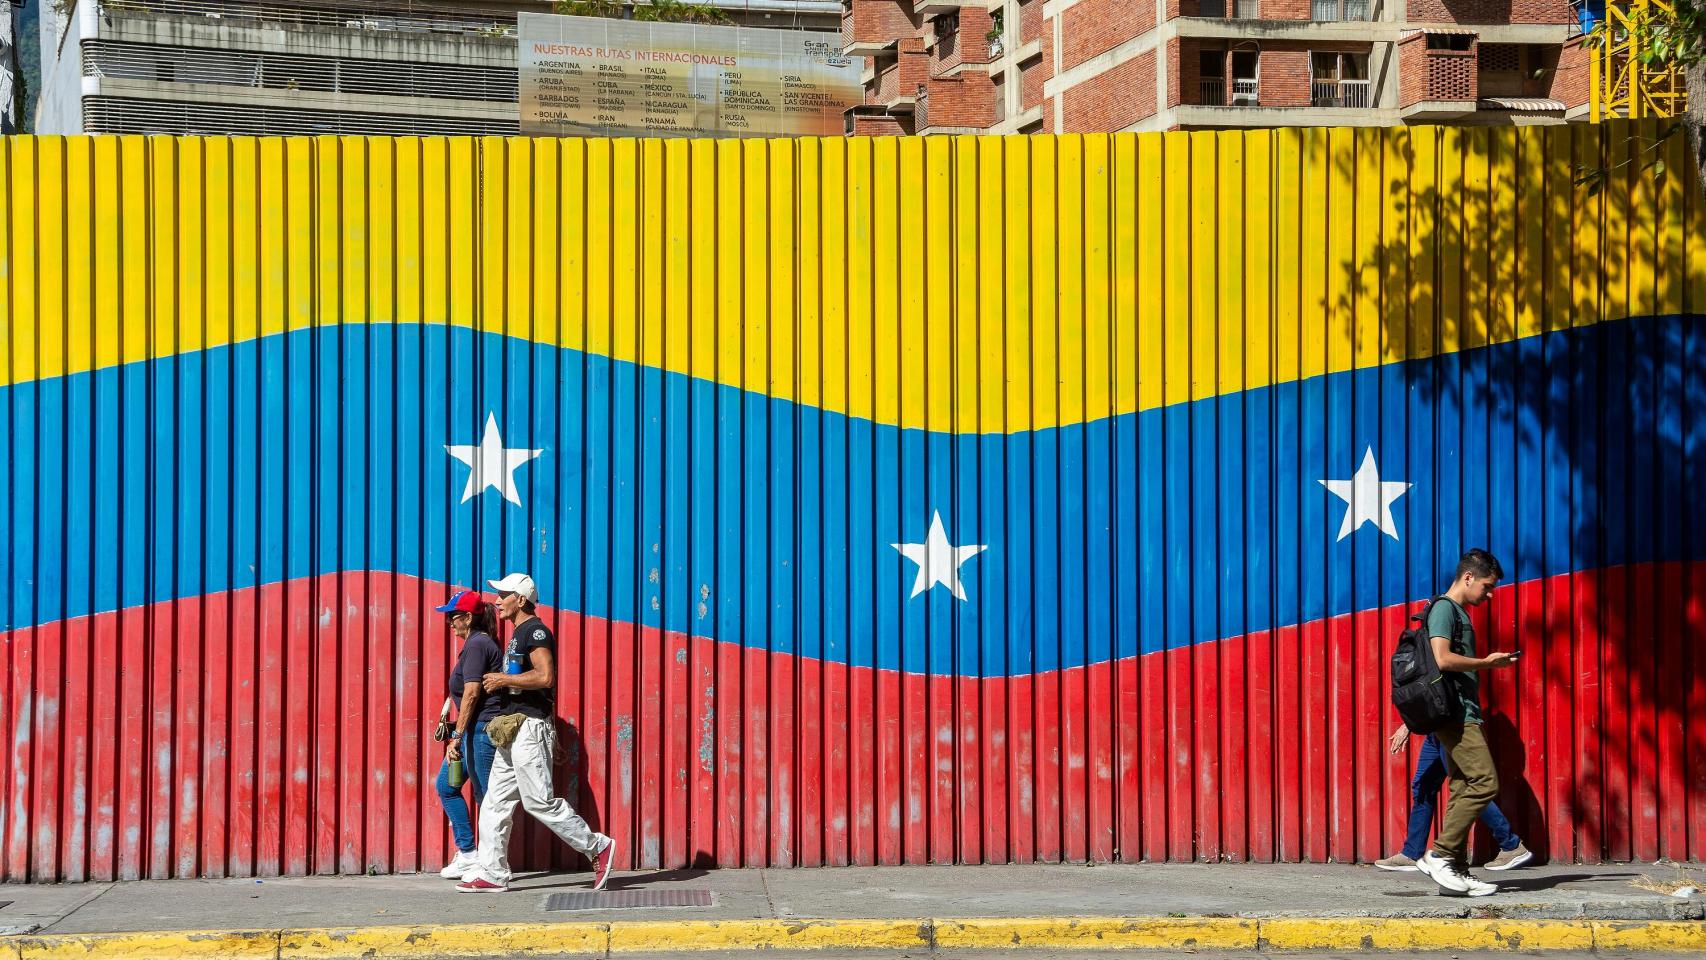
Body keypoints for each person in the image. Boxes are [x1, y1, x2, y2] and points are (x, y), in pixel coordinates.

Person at [456, 572, 617, 893]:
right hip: (513, 730)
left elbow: (546, 677)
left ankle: (596, 845)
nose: (497, 601)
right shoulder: (518, 633)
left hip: (529, 728)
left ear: (521, 600)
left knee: (538, 802)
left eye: (504, 595)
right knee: (494, 803)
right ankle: (493, 873)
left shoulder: (536, 631)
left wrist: (503, 680)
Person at [1408, 548, 1518, 897]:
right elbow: (1441, 659)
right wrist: (1488, 663)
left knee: (1461, 786)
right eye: (1487, 586)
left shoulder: (1456, 612)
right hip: (1456, 715)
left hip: (1462, 711)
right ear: (1468, 577)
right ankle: (1441, 855)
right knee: (1484, 782)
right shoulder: (1445, 609)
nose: (1490, 594)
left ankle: (1454, 870)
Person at [1377, 722, 1533, 873]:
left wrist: (1408, 725)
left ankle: (1511, 845)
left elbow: (1444, 703)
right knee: (1423, 787)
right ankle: (1412, 853)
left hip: (1452, 729)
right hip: (1435, 732)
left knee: (1470, 790)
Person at [434, 590, 503, 880]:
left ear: (468, 618)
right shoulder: (474, 644)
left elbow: (473, 692)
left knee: (486, 797)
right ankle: (469, 854)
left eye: (453, 617)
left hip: (481, 731)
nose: (449, 622)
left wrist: (457, 736)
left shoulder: (477, 644)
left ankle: (490, 865)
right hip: (472, 731)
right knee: (447, 786)